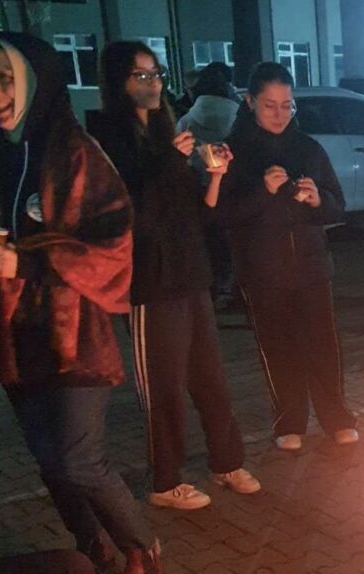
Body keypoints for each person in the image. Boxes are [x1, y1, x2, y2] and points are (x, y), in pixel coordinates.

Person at [0, 32, 160, 573]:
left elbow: (115, 244)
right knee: (49, 462)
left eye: (6, 79)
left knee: (79, 460)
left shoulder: (73, 153)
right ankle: (93, 550)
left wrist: (31, 260)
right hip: (19, 342)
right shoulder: (1, 154)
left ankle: (142, 549)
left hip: (76, 341)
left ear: (33, 81)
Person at [91, 40, 259, 510]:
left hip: (190, 273)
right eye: (140, 76)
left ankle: (226, 462)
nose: (152, 84)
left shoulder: (166, 130)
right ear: (117, 82)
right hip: (150, 280)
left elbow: (193, 211)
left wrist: (216, 175)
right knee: (163, 387)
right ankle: (164, 482)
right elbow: (127, 213)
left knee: (211, 377)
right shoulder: (108, 139)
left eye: (156, 75)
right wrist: (167, 158)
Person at [211, 62, 358, 451]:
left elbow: (337, 206)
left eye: (286, 105)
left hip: (311, 268)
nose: (279, 114)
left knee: (324, 347)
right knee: (279, 349)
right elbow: (221, 215)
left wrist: (316, 200)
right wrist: (262, 190)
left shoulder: (308, 148)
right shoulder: (234, 152)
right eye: (269, 105)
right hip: (262, 272)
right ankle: (289, 421)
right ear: (249, 102)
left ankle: (336, 417)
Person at [176, 64, 241, 311]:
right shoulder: (239, 117)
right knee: (234, 243)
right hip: (234, 188)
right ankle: (235, 290)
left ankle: (214, 290)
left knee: (212, 243)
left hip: (200, 188)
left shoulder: (187, 121)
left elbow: (178, 159)